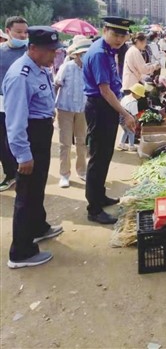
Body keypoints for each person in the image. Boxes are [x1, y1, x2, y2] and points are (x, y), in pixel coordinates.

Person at [2, 27, 64, 269]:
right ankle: (21, 252)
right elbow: (15, 121)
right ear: (33, 48)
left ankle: (38, 227)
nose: (54, 56)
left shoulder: (39, 67)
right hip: (29, 136)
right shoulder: (20, 75)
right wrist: (23, 155)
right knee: (26, 194)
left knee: (37, 187)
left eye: (55, 50)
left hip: (40, 132)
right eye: (50, 51)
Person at [83, 17, 136, 225]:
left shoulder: (108, 50)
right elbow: (104, 91)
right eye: (115, 34)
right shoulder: (98, 53)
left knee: (105, 155)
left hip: (107, 107)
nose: (119, 39)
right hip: (100, 108)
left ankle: (100, 195)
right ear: (105, 30)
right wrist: (125, 113)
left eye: (123, 35)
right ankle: (93, 208)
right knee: (98, 158)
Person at [55, 36, 92, 188]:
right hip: (65, 108)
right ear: (76, 54)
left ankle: (82, 171)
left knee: (81, 142)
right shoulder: (67, 67)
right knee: (65, 143)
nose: (84, 56)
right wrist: (52, 107)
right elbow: (57, 84)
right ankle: (64, 174)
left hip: (82, 109)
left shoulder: (90, 68)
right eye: (82, 53)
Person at [0, 16, 29, 192]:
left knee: (19, 140)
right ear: (8, 31)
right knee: (3, 142)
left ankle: (23, 176)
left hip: (23, 103)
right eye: (18, 32)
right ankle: (10, 175)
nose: (22, 35)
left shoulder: (30, 51)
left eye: (25, 32)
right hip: (2, 103)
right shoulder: (1, 52)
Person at [118, 83, 146, 151]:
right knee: (132, 132)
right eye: (140, 95)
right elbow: (135, 114)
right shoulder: (133, 102)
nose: (140, 97)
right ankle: (131, 146)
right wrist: (136, 122)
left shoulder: (126, 97)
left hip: (121, 118)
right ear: (136, 94)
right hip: (128, 119)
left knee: (125, 131)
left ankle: (121, 143)